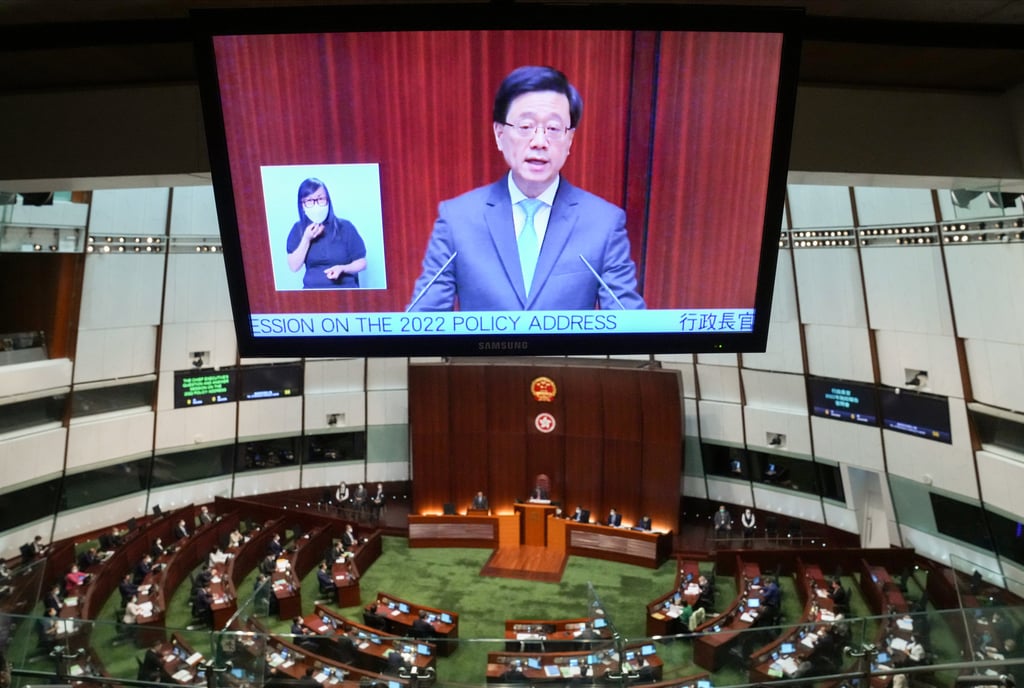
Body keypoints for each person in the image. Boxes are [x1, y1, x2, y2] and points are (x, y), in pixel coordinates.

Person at [408, 65, 645, 312]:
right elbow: (424, 319)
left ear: (569, 140)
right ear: (499, 135)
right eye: (525, 127)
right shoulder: (457, 219)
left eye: (553, 129)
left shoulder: (604, 223)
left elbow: (629, 323)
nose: (539, 142)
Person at [285, 177, 367, 289]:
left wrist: (342, 268)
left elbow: (362, 263)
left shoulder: (345, 227)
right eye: (309, 201)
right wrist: (306, 239)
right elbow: (294, 267)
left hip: (346, 292)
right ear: (302, 205)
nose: (316, 205)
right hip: (312, 293)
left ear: (328, 201)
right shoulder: (298, 229)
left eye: (320, 199)